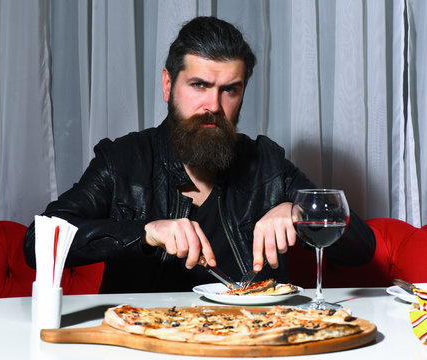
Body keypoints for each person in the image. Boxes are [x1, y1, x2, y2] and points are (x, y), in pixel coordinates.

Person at [23, 16, 375, 293]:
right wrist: (145, 232)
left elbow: (362, 249)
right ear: (167, 85)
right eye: (199, 85)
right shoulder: (123, 161)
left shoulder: (267, 165)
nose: (213, 106)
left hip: (248, 340)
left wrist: (297, 212)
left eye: (230, 90)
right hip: (144, 340)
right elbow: (37, 243)